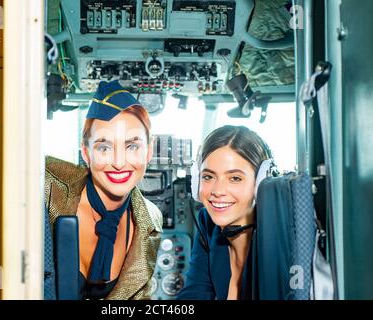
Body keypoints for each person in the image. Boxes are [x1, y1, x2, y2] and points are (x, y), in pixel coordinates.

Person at [44, 80, 163, 300]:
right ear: (86, 153)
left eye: (132, 146)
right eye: (104, 147)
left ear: (149, 151)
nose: (119, 162)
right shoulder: (44, 184)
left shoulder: (151, 218)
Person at [177, 125, 274, 300]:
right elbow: (194, 294)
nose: (218, 191)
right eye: (208, 176)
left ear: (261, 183)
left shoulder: (276, 240)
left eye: (235, 178)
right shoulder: (208, 223)